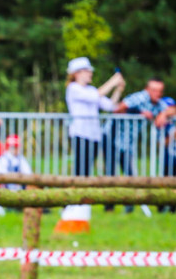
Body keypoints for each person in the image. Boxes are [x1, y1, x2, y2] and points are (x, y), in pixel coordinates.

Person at [109, 78, 168, 212]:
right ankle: (109, 207)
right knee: (111, 174)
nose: (157, 94)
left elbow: (169, 109)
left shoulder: (158, 103)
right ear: (147, 90)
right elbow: (118, 108)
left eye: (160, 91)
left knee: (130, 175)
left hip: (128, 143)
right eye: (154, 90)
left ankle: (129, 205)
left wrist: (163, 114)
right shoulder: (140, 98)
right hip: (113, 137)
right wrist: (139, 113)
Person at [64, 57, 125, 177]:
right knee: (81, 169)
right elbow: (95, 96)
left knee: (88, 169)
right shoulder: (73, 88)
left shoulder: (91, 89)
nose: (90, 73)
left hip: (94, 135)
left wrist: (118, 90)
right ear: (77, 73)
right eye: (87, 71)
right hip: (80, 134)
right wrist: (112, 82)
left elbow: (110, 106)